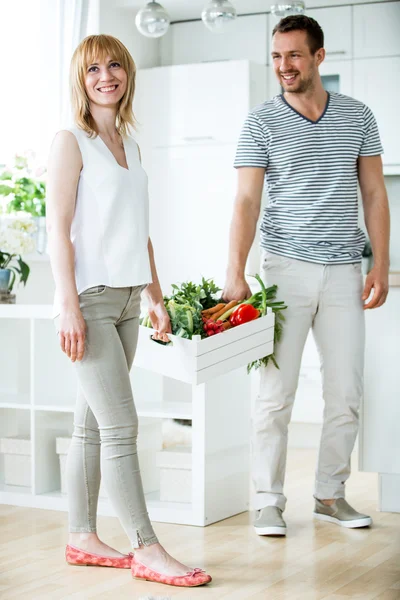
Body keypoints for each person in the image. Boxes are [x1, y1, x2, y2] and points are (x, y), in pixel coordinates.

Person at [46, 34, 211, 588]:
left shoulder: (129, 144)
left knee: (90, 426)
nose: (105, 76)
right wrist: (66, 305)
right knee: (122, 426)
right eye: (93, 69)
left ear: (127, 74)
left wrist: (156, 296)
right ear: (80, 79)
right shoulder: (71, 141)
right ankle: (147, 547)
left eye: (115, 65)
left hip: (127, 300)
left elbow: (139, 233)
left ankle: (81, 536)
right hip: (90, 300)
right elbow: (57, 233)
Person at [222, 15, 390, 536]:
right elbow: (247, 201)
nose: (284, 66)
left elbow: (375, 194)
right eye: (276, 56)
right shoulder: (260, 122)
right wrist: (236, 271)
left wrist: (379, 263)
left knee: (345, 393)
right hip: (283, 271)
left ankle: (329, 494)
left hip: (343, 270)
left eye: (294, 55)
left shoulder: (359, 116)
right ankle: (267, 500)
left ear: (319, 56)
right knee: (275, 394)